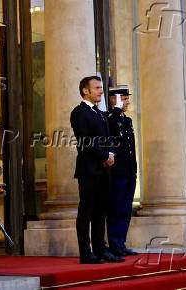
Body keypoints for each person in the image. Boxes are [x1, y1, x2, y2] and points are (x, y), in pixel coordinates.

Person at [70, 76, 125, 264]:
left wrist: (110, 154)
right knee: (86, 212)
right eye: (97, 88)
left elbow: (107, 137)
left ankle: (101, 249)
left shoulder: (100, 113)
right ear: (86, 91)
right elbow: (85, 141)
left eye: (101, 87)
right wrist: (104, 157)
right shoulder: (79, 112)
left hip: (103, 169)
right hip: (89, 169)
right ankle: (86, 253)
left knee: (101, 211)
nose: (101, 91)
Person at [107, 85, 138, 257]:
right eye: (124, 99)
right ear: (114, 100)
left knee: (126, 209)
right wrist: (117, 110)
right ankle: (114, 244)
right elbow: (110, 128)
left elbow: (130, 148)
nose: (127, 102)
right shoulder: (110, 118)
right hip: (117, 173)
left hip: (129, 171)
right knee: (115, 208)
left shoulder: (127, 120)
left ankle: (121, 241)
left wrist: (134, 170)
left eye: (127, 99)